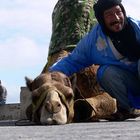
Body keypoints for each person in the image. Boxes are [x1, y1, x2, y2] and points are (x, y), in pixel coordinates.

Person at [49, 0, 140, 119]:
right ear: (101, 19)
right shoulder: (93, 41)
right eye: (109, 15)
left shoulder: (137, 27)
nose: (116, 18)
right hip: (130, 82)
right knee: (105, 73)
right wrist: (51, 77)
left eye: (118, 12)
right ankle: (126, 109)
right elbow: (72, 60)